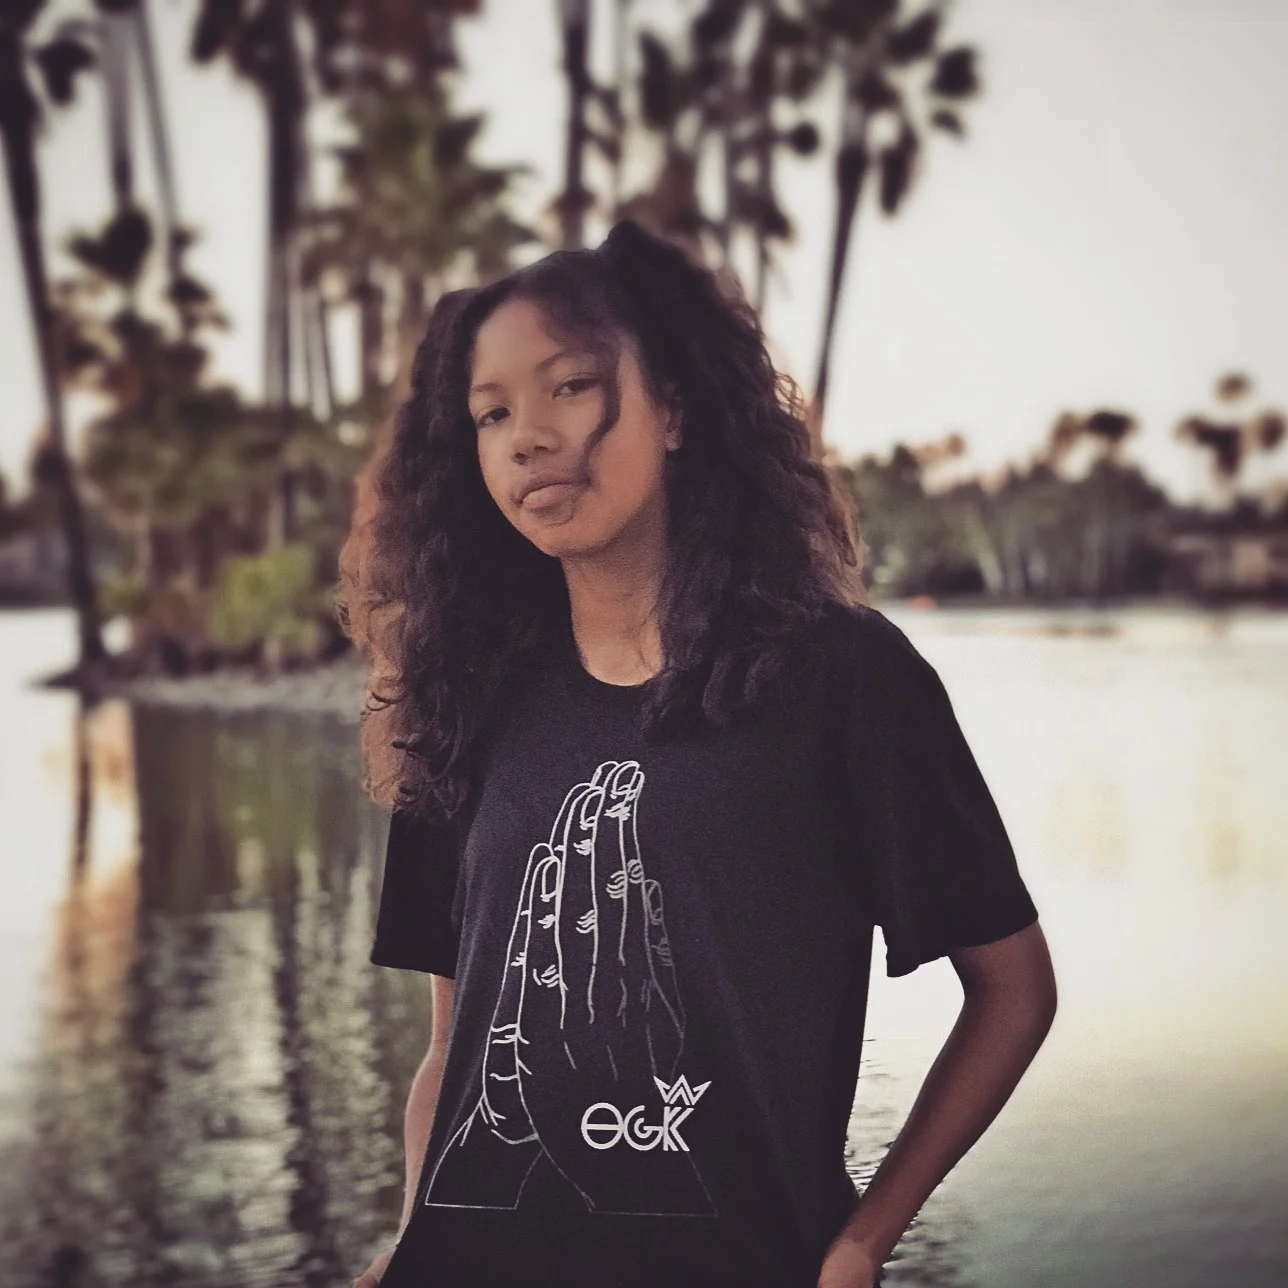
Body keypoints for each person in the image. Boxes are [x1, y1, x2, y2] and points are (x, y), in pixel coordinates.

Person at [339, 219, 1057, 1288]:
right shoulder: (461, 695)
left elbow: (1013, 991)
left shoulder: (842, 681)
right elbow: (455, 1044)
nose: (526, 435)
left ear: (671, 406)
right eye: (491, 413)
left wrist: (863, 1240)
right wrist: (410, 1240)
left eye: (570, 387)